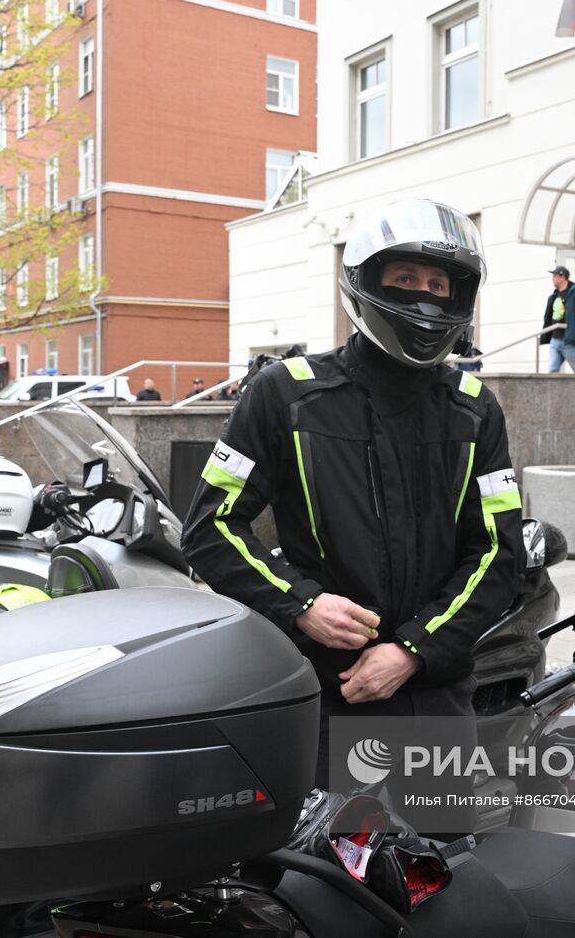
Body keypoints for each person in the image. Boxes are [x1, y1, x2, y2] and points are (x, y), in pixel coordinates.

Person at [183, 199, 521, 832]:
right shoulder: (285, 393)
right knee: (333, 873)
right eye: (404, 281)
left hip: (436, 697)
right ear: (365, 285)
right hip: (328, 695)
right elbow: (210, 529)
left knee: (447, 867)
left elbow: (500, 553)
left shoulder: (475, 409)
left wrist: (413, 651)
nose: (423, 299)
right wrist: (301, 602)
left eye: (438, 285)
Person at [539, 265, 575, 374]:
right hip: (555, 339)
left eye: (555, 276)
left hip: (570, 340)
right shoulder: (554, 296)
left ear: (562, 277)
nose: (552, 279)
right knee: (552, 370)